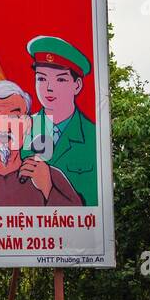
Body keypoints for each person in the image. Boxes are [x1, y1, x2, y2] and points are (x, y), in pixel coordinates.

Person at [0, 80, 80, 208]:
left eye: (13, 117)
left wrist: (47, 189)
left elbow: (81, 220)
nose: (3, 127)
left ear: (27, 126)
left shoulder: (48, 175)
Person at [25, 35, 98, 206]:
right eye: (41, 78)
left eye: (60, 79)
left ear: (77, 85)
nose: (49, 88)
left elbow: (94, 204)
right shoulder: (22, 129)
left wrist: (49, 186)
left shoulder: (93, 136)